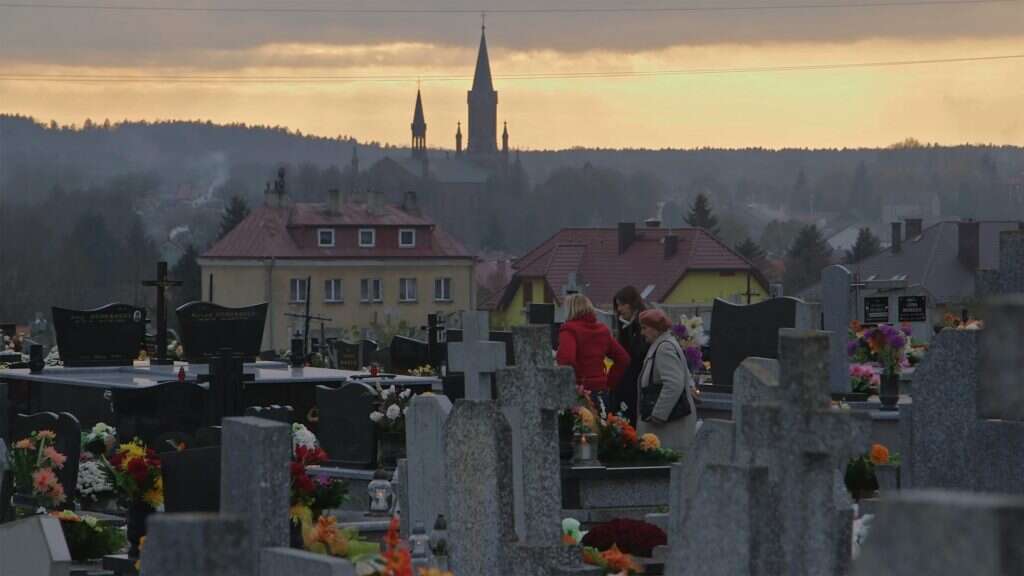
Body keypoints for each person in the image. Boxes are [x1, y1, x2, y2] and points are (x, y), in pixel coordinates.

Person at [636, 309, 697, 452]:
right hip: (668, 426)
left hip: (667, 428)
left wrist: (658, 415)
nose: (642, 333)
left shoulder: (664, 348)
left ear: (656, 329)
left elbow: (674, 383)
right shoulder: (665, 344)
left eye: (645, 328)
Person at [556, 294, 630, 408]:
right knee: (601, 425)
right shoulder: (602, 330)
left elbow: (566, 359)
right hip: (601, 391)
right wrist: (609, 382)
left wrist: (579, 381)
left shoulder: (569, 329)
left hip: (580, 392)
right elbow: (623, 359)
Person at [612, 286, 649, 425]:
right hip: (626, 382)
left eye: (622, 304)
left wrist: (628, 331)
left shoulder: (642, 325)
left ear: (632, 303)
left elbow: (636, 353)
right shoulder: (626, 325)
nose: (619, 309)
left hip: (636, 382)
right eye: (618, 305)